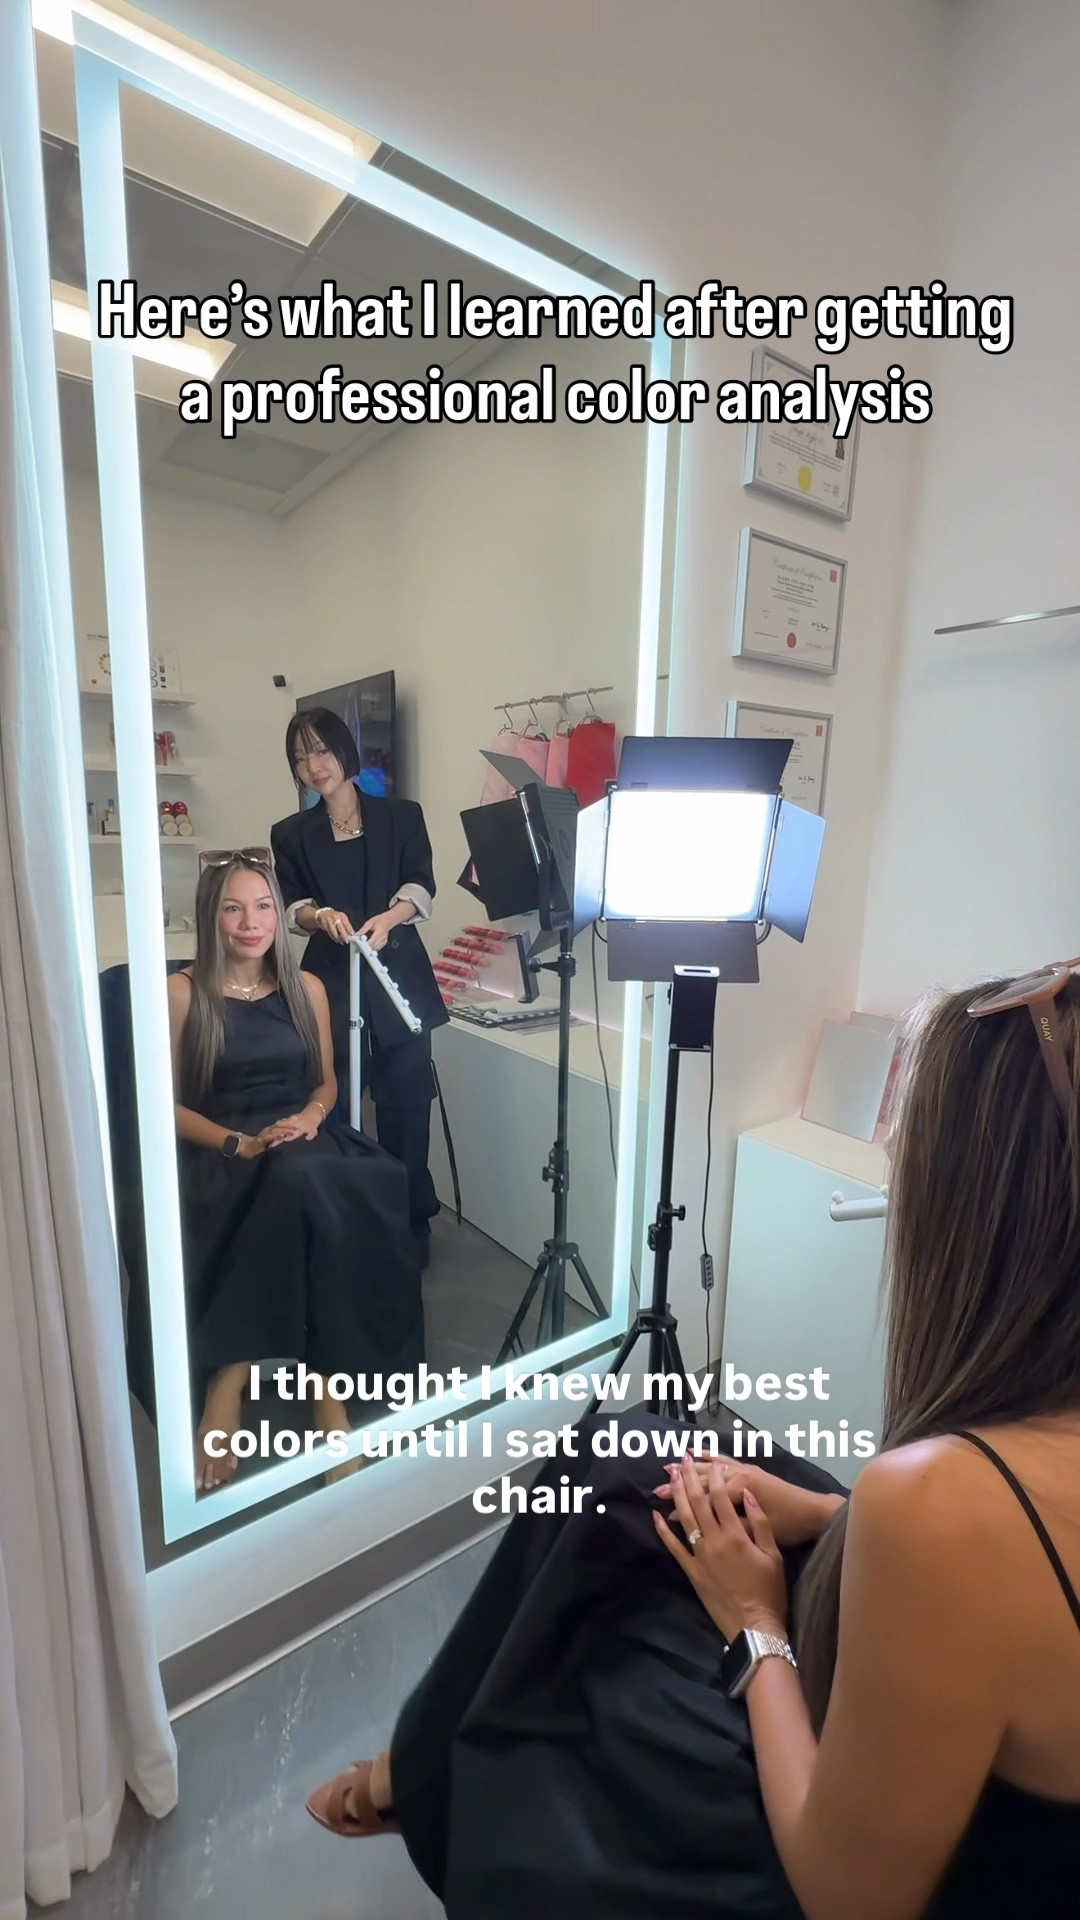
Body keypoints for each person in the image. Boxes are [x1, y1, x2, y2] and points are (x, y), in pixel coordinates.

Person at [305, 960, 1080, 1918]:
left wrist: (755, 1625)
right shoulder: (967, 1491)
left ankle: (425, 1776)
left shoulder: (945, 1501)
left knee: (587, 1683)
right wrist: (836, 1514)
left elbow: (851, 1897)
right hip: (921, 1608)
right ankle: (418, 1762)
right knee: (636, 1462)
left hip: (859, 1852)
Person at [168, 851, 423, 1493]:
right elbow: (164, 1105)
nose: (250, 922)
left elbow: (327, 1082)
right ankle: (299, 1397)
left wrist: (310, 1117)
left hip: (300, 1136)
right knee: (295, 1186)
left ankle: (268, 1377)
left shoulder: (307, 988)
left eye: (262, 907)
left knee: (370, 1179)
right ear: (211, 916)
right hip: (223, 1147)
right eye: (233, 907)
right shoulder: (179, 992)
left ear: (278, 919)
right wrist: (238, 1144)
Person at [270, 708, 448, 1263]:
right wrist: (318, 917)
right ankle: (343, 1226)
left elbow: (421, 883)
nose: (313, 766)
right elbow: (293, 906)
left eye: (321, 751)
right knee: (333, 1097)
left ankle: (410, 1225)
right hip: (330, 980)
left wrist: (389, 919)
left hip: (397, 976)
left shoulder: (401, 815)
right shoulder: (291, 834)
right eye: (300, 758)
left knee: (407, 1105)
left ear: (344, 750)